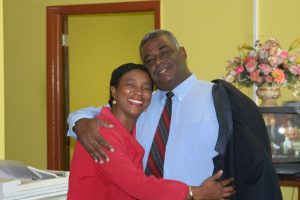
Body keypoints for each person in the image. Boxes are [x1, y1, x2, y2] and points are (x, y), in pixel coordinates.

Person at [68, 30, 282, 199]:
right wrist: (79, 122)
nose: (158, 61)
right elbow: (103, 114)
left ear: (182, 53)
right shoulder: (142, 103)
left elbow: (256, 163)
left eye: (165, 52)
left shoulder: (218, 97)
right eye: (149, 59)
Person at [67, 63, 234, 200]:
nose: (139, 92)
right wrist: (197, 193)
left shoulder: (132, 128)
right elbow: (137, 184)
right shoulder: (102, 131)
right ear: (114, 91)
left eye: (146, 88)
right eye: (130, 85)